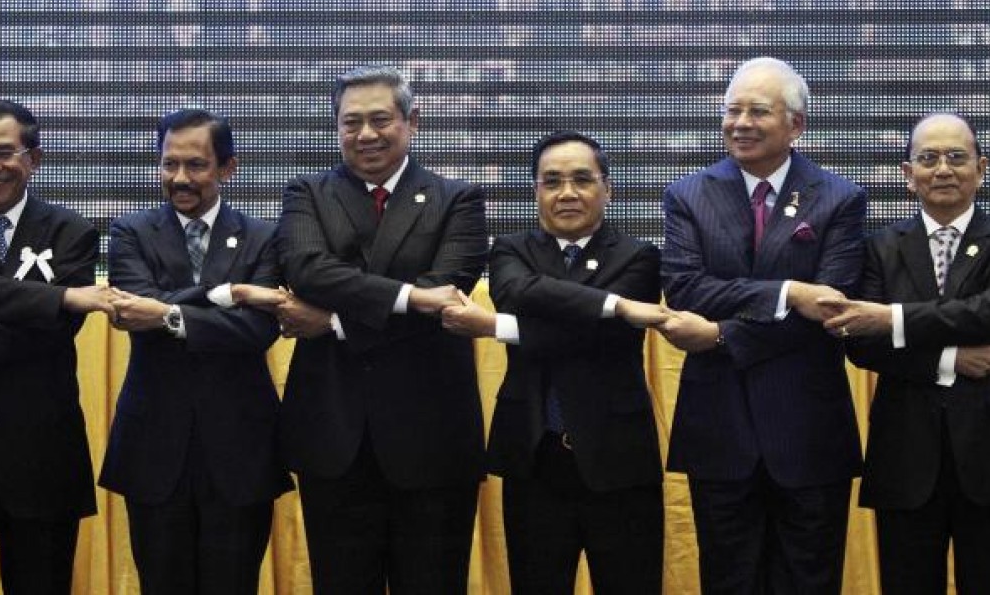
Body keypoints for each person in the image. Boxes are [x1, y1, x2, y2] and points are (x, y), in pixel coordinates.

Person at [274, 64, 488, 594]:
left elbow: (447, 298)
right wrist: (408, 294)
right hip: (334, 434)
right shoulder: (307, 193)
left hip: (433, 436)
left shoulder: (458, 199)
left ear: (412, 121)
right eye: (350, 123)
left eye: (379, 120)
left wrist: (330, 321)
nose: (365, 135)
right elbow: (305, 269)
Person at [657, 57, 866, 594]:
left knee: (810, 579)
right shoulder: (687, 196)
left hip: (807, 432)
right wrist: (789, 293)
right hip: (719, 428)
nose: (740, 123)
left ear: (796, 125)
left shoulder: (840, 199)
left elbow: (831, 310)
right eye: (732, 110)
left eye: (758, 111)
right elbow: (686, 288)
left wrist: (723, 333)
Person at [441, 131, 671, 594]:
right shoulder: (509, 250)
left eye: (582, 180)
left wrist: (496, 328)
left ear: (607, 188)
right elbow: (516, 292)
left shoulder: (640, 256)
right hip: (534, 459)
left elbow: (598, 337)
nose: (567, 193)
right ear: (536, 191)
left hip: (618, 459)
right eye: (552, 181)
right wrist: (615, 303)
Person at [99, 109, 292, 594]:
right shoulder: (129, 232)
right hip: (153, 446)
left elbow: (256, 333)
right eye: (169, 165)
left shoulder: (266, 236)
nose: (179, 178)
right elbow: (134, 317)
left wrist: (167, 313)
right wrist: (235, 293)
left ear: (228, 168)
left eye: (196, 165)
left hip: (240, 448)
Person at [818, 113, 990, 594]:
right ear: (907, 174)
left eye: (957, 157)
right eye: (928, 158)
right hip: (906, 460)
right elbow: (862, 340)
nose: (943, 169)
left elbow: (987, 311)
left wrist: (894, 318)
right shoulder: (878, 248)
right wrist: (951, 359)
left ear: (981, 168)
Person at [0, 100, 112, 595]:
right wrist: (58, 298)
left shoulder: (71, 231)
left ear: (34, 158)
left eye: (4, 152)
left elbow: (53, 333)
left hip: (42, 453)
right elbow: (52, 313)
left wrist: (52, 308)